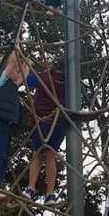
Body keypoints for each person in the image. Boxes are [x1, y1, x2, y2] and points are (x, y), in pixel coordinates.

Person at [0, 52, 29, 202]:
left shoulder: (12, 85)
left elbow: (23, 75)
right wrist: (15, 52)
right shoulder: (0, 80)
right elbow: (10, 66)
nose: (17, 72)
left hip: (6, 123)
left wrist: (26, 63)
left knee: (4, 156)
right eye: (15, 69)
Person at [23, 62, 66, 204]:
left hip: (42, 119)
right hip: (59, 121)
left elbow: (29, 80)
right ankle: (50, 194)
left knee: (37, 154)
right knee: (50, 156)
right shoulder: (69, 82)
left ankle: (31, 188)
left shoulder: (45, 76)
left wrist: (26, 66)